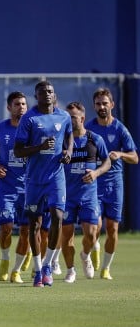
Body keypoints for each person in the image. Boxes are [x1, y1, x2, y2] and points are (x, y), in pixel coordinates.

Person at [13, 80, 73, 287]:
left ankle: (48, 265)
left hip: (56, 177)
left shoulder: (64, 116)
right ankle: (38, 270)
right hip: (34, 180)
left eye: (50, 91)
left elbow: (69, 135)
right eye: (42, 92)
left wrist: (69, 151)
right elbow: (18, 151)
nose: (47, 94)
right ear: (36, 96)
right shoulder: (29, 119)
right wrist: (39, 147)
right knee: (34, 224)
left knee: (57, 217)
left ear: (54, 95)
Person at [85, 88, 138, 279]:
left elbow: (134, 157)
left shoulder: (120, 129)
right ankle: (92, 248)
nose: (101, 107)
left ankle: (106, 268)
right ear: (94, 106)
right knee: (94, 226)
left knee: (113, 228)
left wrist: (121, 154)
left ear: (112, 105)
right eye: (98, 104)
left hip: (115, 184)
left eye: (105, 103)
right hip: (95, 183)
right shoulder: (89, 129)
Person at [61, 101, 110, 283]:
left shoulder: (94, 139)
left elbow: (107, 162)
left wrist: (96, 172)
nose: (69, 120)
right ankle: (70, 270)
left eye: (72, 117)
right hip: (67, 196)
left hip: (88, 196)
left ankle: (85, 254)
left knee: (91, 233)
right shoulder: (62, 141)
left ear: (82, 118)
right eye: (67, 117)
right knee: (66, 236)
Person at [0, 91, 31, 283]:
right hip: (7, 188)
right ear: (9, 108)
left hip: (29, 188)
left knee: (26, 230)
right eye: (17, 104)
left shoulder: (33, 129)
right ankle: (4, 260)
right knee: (6, 227)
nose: (21, 107)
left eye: (23, 104)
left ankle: (16, 270)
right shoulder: (0, 129)